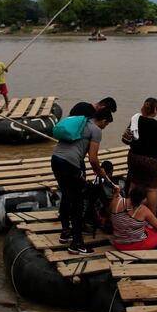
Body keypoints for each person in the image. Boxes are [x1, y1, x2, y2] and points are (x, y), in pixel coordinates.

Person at [51, 108, 114, 255]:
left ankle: (66, 233)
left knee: (68, 196)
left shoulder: (81, 124)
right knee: (78, 204)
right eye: (106, 125)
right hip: (69, 164)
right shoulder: (96, 130)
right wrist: (101, 173)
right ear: (104, 121)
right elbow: (93, 158)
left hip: (56, 160)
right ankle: (77, 244)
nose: (104, 127)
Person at [126, 98, 157, 215]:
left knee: (134, 184)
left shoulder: (135, 121)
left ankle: (129, 212)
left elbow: (127, 138)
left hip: (134, 158)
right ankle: (151, 218)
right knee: (152, 188)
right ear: (155, 110)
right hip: (151, 161)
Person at [110, 185, 157, 251]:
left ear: (130, 194)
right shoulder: (143, 210)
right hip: (135, 245)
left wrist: (115, 193)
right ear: (143, 199)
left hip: (119, 244)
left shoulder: (117, 201)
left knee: (147, 228)